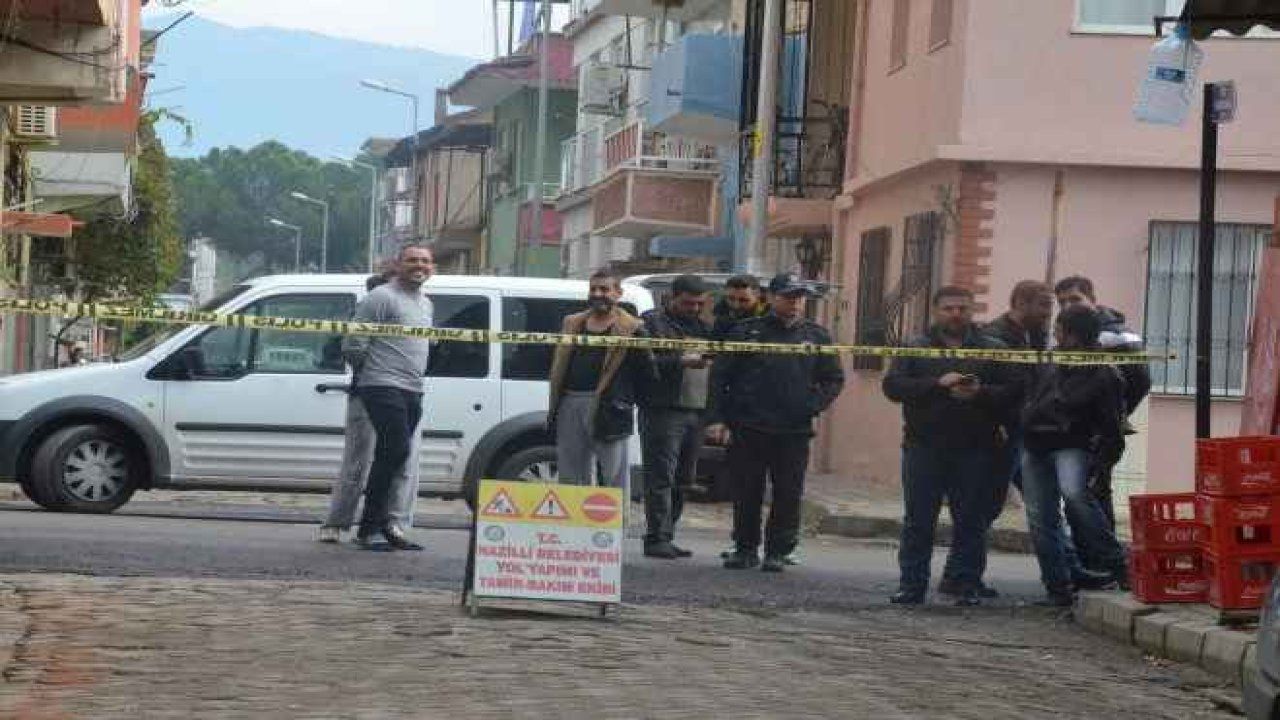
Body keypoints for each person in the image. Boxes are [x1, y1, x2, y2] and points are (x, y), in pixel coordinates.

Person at [882, 286, 1016, 606]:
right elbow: (893, 387)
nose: (956, 314)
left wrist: (980, 393)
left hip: (976, 448)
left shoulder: (993, 348)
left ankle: (965, 584)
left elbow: (1013, 392)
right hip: (923, 446)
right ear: (936, 311)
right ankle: (911, 585)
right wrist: (937, 385)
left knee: (971, 520)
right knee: (918, 520)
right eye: (949, 308)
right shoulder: (915, 346)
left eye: (962, 308)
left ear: (972, 310)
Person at [707, 273, 845, 573]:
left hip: (793, 429)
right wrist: (717, 419)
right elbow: (720, 377)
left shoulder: (817, 336)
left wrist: (811, 405)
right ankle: (745, 548)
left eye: (799, 297)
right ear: (770, 298)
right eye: (788, 296)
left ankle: (778, 551)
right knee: (747, 491)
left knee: (788, 493)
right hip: (749, 425)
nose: (794, 303)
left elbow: (833, 379)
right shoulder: (746, 332)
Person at [1020, 305, 1130, 606]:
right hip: (1036, 443)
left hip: (1072, 444)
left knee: (1076, 497)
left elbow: (1111, 425)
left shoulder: (1103, 372)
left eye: (1059, 328)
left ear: (1071, 334)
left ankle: (1119, 564)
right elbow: (1031, 395)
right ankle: (1057, 587)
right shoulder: (1050, 361)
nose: (1055, 333)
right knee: (1040, 517)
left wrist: (1103, 465)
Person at [316, 271, 424, 543]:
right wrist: (371, 374)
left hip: (406, 391)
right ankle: (339, 523)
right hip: (370, 392)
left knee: (401, 462)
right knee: (358, 462)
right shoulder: (369, 310)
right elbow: (348, 348)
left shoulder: (420, 308)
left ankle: (391, 524)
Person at [342, 243, 435, 551]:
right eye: (412, 260)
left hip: (413, 387)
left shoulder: (426, 303)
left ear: (432, 267)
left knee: (397, 456)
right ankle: (369, 529)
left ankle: (387, 525)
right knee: (394, 449)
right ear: (398, 264)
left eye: (425, 261)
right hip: (382, 384)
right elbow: (354, 343)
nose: (419, 265)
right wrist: (370, 374)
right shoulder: (382, 297)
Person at [1053, 275, 1151, 532]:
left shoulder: (1118, 335)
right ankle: (1092, 549)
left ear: (1093, 300)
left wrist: (1116, 414)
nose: (1068, 306)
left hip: (1102, 429)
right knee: (1082, 492)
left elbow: (1141, 380)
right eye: (1062, 302)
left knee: (1093, 490)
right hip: (1073, 429)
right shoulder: (1067, 333)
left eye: (1075, 299)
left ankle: (1105, 551)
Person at [547, 268, 652, 489]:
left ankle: (616, 514)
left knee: (614, 476)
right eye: (593, 289)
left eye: (604, 289)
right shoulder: (572, 323)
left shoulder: (633, 328)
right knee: (570, 473)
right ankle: (575, 513)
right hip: (570, 402)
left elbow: (647, 372)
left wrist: (626, 400)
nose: (597, 294)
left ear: (618, 293)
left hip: (610, 407)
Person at [639, 274, 712, 559]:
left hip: (696, 410)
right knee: (661, 476)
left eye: (699, 304)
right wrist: (679, 361)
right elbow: (643, 361)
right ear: (671, 297)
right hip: (663, 410)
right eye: (688, 303)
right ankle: (656, 537)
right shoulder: (652, 324)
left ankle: (668, 534)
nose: (694, 309)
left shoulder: (704, 328)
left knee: (684, 478)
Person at [713, 274, 767, 339]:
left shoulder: (769, 316)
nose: (736, 305)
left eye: (743, 300)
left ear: (757, 295)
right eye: (731, 299)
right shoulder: (717, 310)